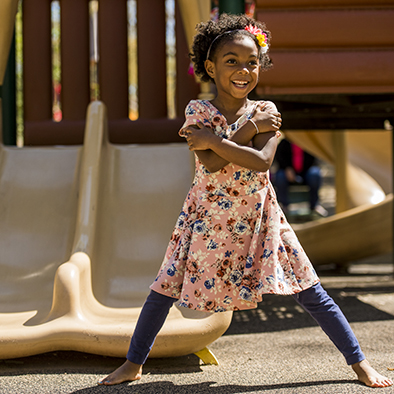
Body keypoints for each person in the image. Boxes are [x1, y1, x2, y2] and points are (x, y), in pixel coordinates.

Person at [99, 13, 392, 388]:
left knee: (311, 290)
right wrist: (247, 131)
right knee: (164, 289)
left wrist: (224, 138)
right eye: (231, 61)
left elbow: (261, 161)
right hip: (205, 217)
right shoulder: (200, 111)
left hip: (261, 218)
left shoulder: (265, 110)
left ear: (261, 65)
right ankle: (134, 362)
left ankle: (360, 364)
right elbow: (209, 161)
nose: (243, 70)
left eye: (252, 62)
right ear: (210, 66)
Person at [273, 138, 328, 216]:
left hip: (306, 171)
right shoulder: (285, 142)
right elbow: (279, 157)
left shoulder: (309, 143)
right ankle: (283, 206)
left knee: (315, 174)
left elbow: (314, 159)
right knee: (279, 176)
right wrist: (287, 168)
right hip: (288, 172)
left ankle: (315, 205)